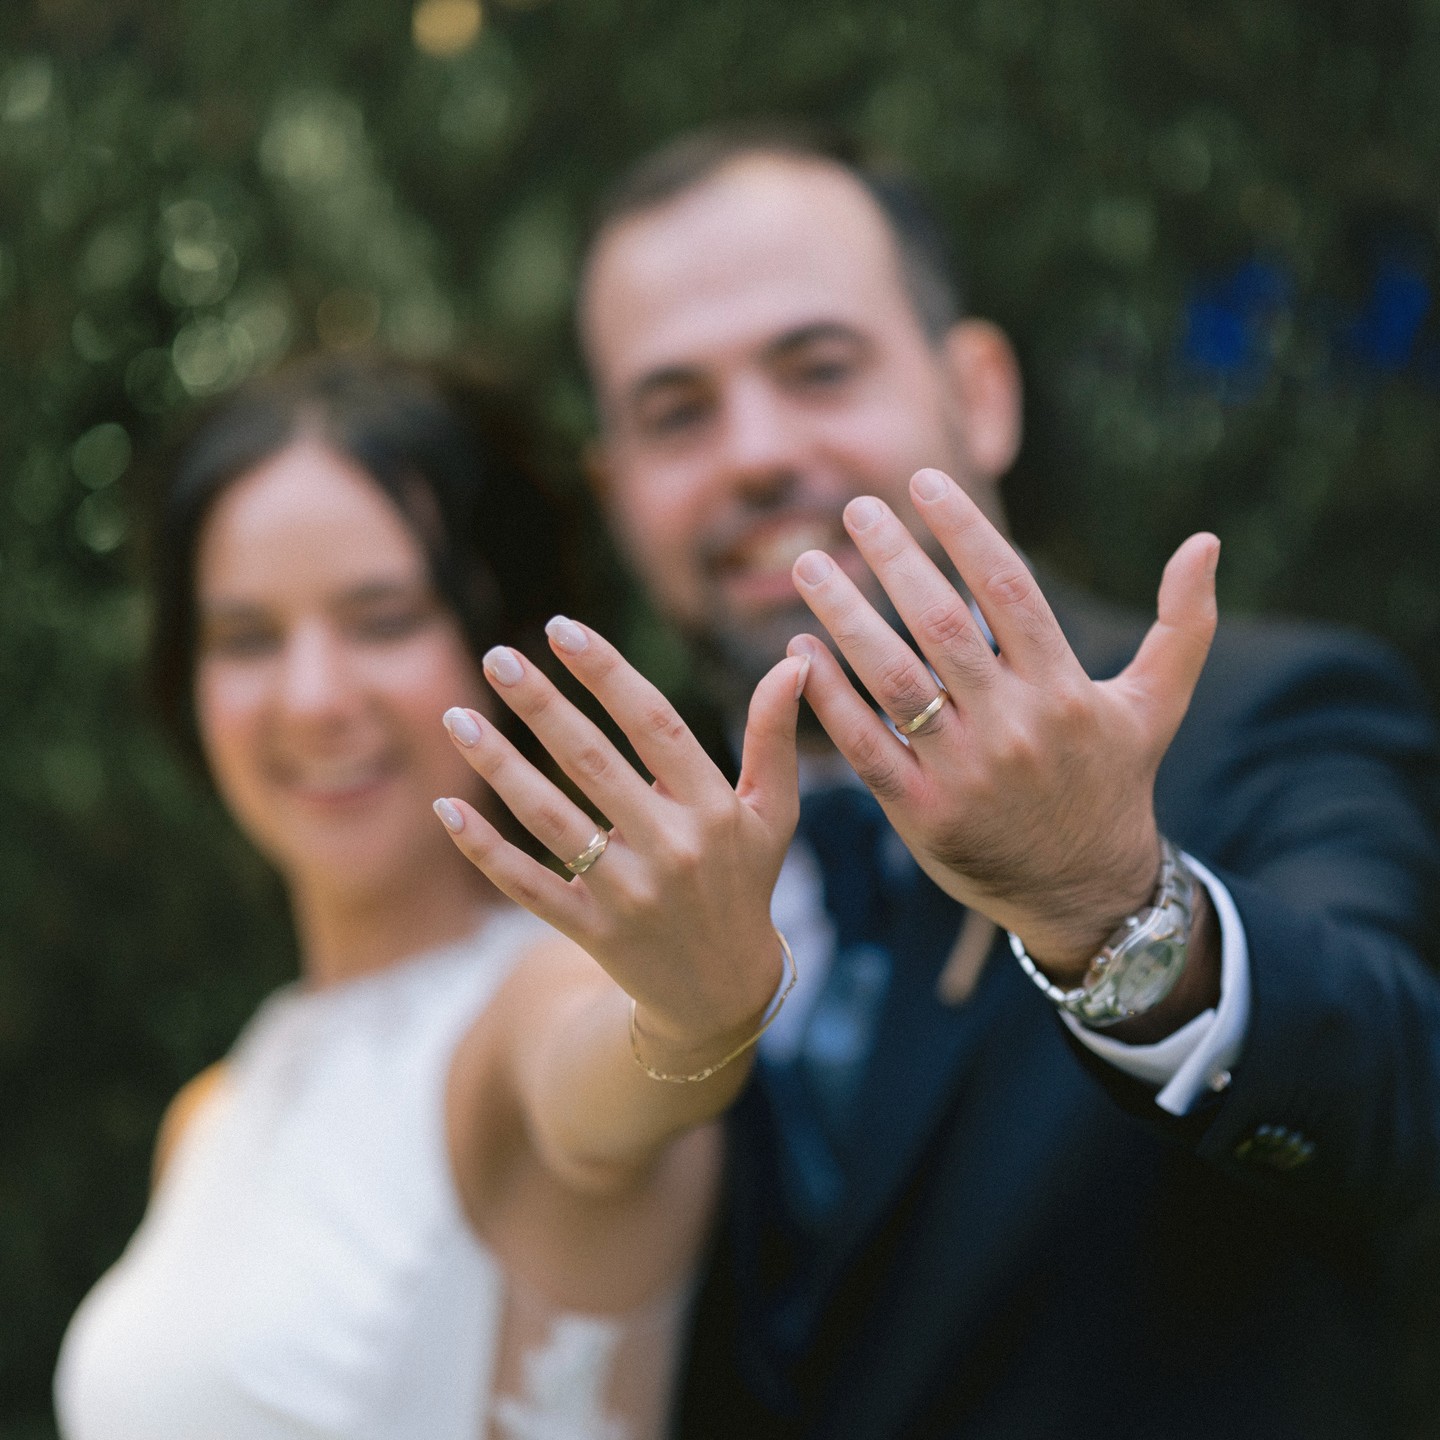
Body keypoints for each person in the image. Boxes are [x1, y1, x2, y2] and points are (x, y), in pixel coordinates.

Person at [572, 126, 1440, 1437]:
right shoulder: (610, 874)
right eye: (675, 411)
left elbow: (1400, 1104)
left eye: (818, 366)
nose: (752, 453)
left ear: (979, 391)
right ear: (617, 484)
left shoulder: (1271, 713)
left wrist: (1109, 902)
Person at [53, 353, 809, 1440]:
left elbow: (608, 1079)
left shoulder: (530, 1004)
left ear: (498, 637)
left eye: (383, 618)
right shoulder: (214, 1113)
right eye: (248, 637)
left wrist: (703, 1009)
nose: (313, 698)